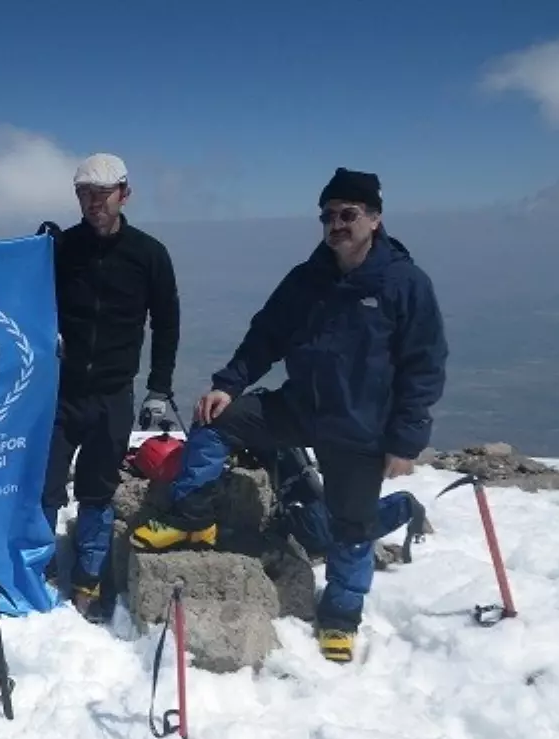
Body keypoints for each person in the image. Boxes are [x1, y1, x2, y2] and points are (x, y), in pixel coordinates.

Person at [131, 168, 448, 663]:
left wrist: (406, 440)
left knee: (352, 526)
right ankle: (193, 518)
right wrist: (227, 384)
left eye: (349, 214)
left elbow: (423, 365)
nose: (336, 223)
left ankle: (341, 617)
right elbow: (267, 335)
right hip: (301, 407)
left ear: (375, 218)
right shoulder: (308, 280)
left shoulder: (403, 284)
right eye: (328, 215)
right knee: (216, 420)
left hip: (360, 427)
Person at [38, 152, 181, 620]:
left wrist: (159, 388)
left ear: (124, 193)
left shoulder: (148, 254)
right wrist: (32, 255)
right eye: (85, 194)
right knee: (45, 485)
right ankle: (37, 573)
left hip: (113, 392)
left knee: (97, 491)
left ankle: (87, 581)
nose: (94, 203)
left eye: (103, 194)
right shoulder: (63, 249)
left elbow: (167, 322)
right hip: (60, 391)